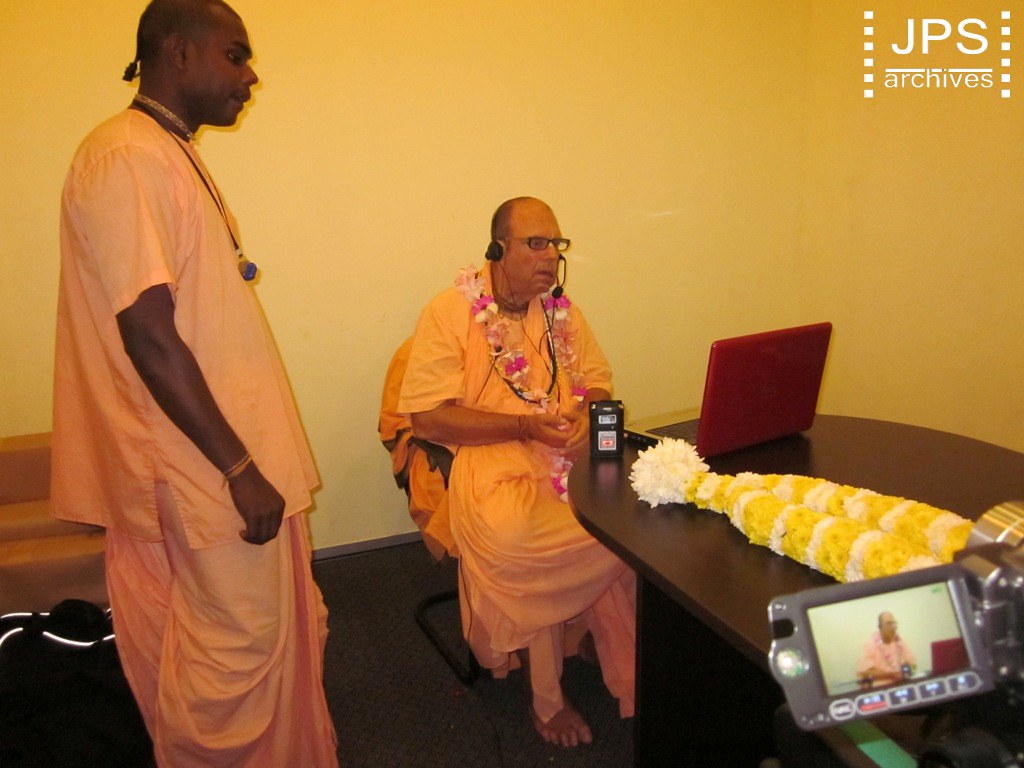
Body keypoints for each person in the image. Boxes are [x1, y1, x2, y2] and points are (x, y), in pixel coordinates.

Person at [51, 1, 338, 765]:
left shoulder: (161, 149)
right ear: (178, 53)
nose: (252, 76)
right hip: (203, 463)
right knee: (237, 657)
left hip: (215, 450)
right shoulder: (126, 157)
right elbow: (147, 333)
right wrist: (239, 467)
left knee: (246, 637)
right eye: (235, 55)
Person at [398, 197, 636, 748]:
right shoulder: (448, 313)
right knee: (522, 540)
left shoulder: (559, 311)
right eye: (536, 243)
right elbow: (427, 418)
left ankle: (593, 632)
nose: (551, 256)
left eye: (556, 244)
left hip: (564, 454)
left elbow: (597, 380)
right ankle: (546, 697)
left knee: (634, 521)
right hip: (488, 460)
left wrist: (585, 413)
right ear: (497, 250)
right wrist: (524, 427)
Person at [856, 611, 918, 689]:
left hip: (902, 684)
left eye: (894, 623)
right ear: (880, 627)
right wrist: (891, 674)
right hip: (881, 688)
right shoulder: (869, 644)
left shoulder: (899, 642)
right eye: (889, 623)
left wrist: (906, 671)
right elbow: (865, 672)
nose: (893, 627)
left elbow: (913, 664)